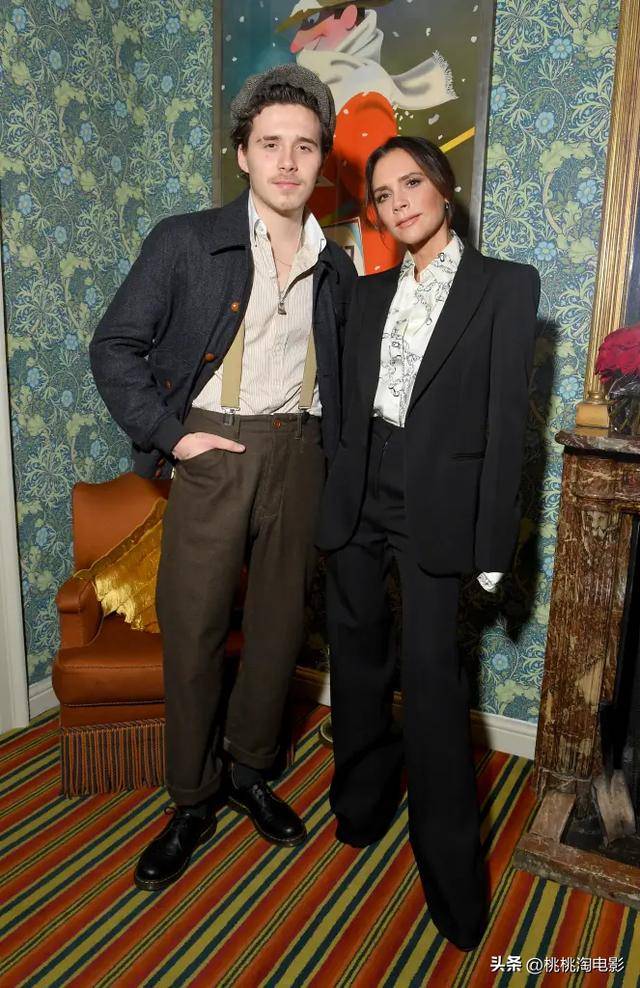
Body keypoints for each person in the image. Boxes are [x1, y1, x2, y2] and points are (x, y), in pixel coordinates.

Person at [90, 64, 357, 891]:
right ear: (242, 154)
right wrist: (175, 438)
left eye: (304, 146)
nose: (288, 161)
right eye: (271, 144)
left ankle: (249, 771)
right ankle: (192, 797)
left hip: (301, 454)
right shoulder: (185, 240)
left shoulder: (338, 265)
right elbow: (114, 347)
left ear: (322, 159)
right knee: (196, 629)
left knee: (278, 629)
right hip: (212, 451)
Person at [316, 135, 540, 950]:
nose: (398, 202)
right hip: (358, 493)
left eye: (411, 183)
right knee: (356, 665)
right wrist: (335, 482)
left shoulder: (505, 286)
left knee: (434, 687)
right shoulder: (367, 292)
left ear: (444, 188)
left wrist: (493, 543)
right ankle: (362, 807)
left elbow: (508, 426)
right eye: (383, 194)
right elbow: (344, 402)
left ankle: (452, 884)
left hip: (438, 505)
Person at [281, 0, 457, 274]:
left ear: (348, 16)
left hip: (358, 267)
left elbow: (376, 204)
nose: (296, 44)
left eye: (312, 21)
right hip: (324, 261)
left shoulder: (361, 91)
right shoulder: (326, 96)